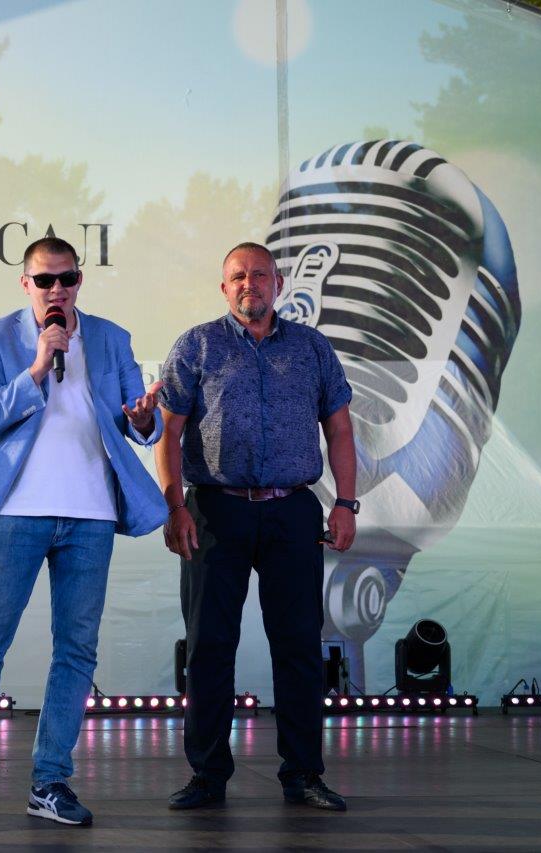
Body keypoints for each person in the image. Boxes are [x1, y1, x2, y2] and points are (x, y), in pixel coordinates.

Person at [0, 237, 168, 830]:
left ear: (80, 280)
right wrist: (37, 368)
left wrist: (144, 419)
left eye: (67, 278)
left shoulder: (111, 337)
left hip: (91, 515)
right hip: (18, 512)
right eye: (44, 280)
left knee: (77, 651)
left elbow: (142, 422)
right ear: (25, 284)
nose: (57, 290)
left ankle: (51, 781)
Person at [154, 241, 357, 812]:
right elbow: (168, 432)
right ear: (225, 288)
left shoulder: (312, 347)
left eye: (260, 275)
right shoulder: (197, 345)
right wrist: (174, 507)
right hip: (214, 511)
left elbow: (340, 430)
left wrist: (346, 503)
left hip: (294, 511)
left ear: (278, 283)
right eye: (239, 276)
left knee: (299, 646)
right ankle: (207, 775)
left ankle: (304, 774)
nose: (250, 284)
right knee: (209, 646)